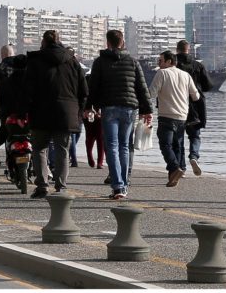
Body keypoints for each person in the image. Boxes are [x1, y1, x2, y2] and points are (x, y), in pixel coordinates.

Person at [22, 30, 87, 198]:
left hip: (40, 111)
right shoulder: (72, 62)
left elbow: (27, 90)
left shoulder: (35, 61)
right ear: (60, 41)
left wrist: (24, 111)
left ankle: (42, 185)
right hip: (66, 112)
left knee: (39, 149)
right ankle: (61, 187)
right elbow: (84, 90)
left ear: (43, 42)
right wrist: (80, 110)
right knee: (62, 150)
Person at [88, 29, 151, 200]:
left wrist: (88, 107)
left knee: (113, 147)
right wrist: (148, 110)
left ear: (107, 43)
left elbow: (93, 87)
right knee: (125, 146)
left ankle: (117, 187)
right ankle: (124, 184)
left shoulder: (100, 62)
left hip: (109, 108)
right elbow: (142, 87)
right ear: (122, 42)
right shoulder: (132, 62)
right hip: (129, 108)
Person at [149, 50, 199, 188]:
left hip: (166, 115)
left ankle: (175, 167)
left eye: (160, 61)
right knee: (177, 146)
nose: (158, 64)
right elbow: (196, 96)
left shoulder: (162, 73)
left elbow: (151, 93)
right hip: (182, 116)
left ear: (169, 61)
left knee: (165, 145)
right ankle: (173, 177)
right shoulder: (186, 75)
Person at [175, 40, 212, 176]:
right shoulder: (198, 65)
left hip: (177, 104)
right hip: (195, 105)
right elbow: (207, 86)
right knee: (195, 136)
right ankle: (194, 157)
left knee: (178, 138)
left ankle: (181, 168)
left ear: (177, 50)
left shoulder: (173, 66)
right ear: (188, 50)